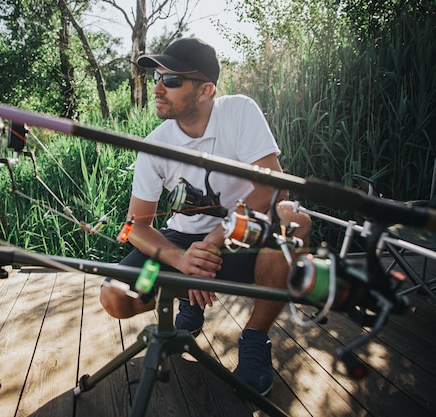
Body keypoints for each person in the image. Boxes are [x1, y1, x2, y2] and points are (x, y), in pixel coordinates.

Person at [99, 37, 311, 396]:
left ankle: (255, 338)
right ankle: (174, 297)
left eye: (172, 80)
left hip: (241, 237)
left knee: (293, 220)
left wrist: (212, 243)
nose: (158, 88)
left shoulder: (239, 111)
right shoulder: (154, 144)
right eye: (156, 79)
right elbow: (136, 226)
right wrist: (182, 261)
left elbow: (274, 190)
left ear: (205, 90)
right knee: (114, 295)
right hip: (179, 245)